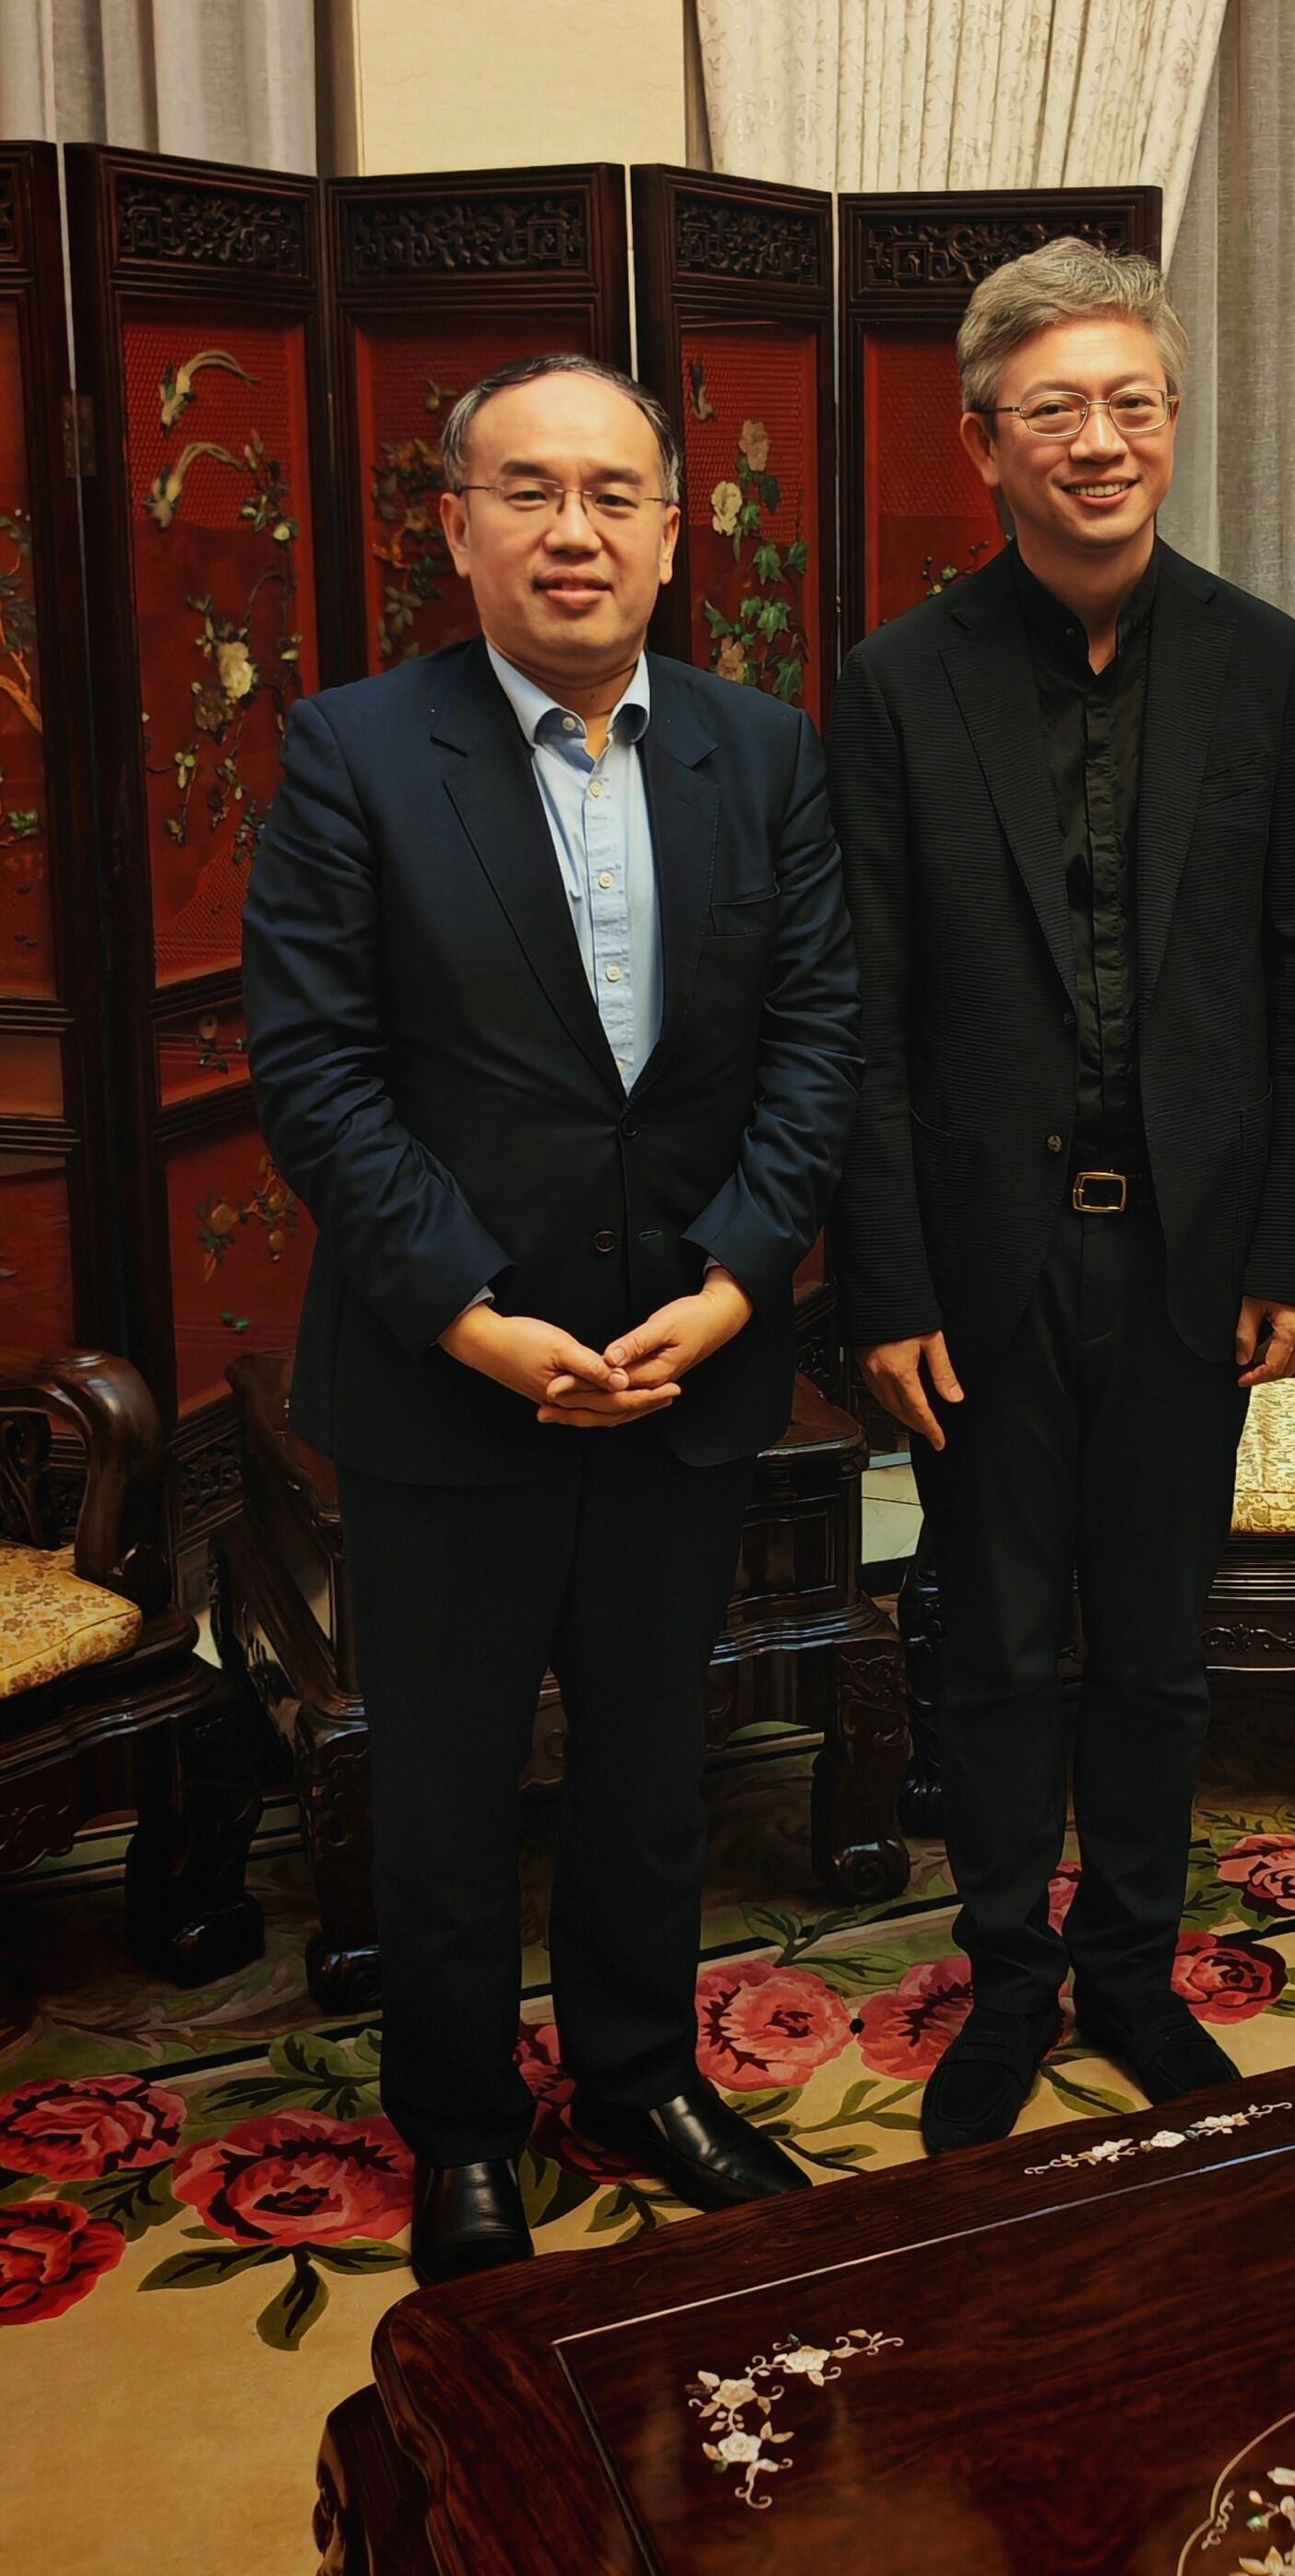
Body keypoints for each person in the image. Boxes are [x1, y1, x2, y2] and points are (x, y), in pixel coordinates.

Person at [244, 353, 861, 2284]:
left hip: (687, 1360)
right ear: (455, 526)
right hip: (457, 1384)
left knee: (650, 1762)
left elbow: (817, 1042)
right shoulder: (354, 750)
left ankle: (637, 2072)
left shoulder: (762, 751)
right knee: (441, 1781)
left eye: (614, 492)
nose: (573, 528)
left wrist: (742, 1280)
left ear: (678, 533)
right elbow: (317, 1072)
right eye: (528, 489)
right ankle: (460, 2123)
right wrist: (479, 1320)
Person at [827, 243, 1295, 2152]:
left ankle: (1133, 1963)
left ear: (1175, 421)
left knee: (1152, 1631)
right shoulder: (896, 685)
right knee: (991, 1631)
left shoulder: (1266, 662)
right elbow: (863, 1012)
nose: (1103, 437)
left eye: (1135, 399)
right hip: (978, 1263)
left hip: (1193, 1254)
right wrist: (884, 1283)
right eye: (1056, 406)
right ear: (987, 442)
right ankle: (1008, 1975)